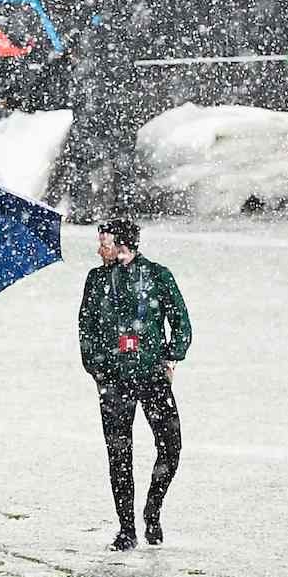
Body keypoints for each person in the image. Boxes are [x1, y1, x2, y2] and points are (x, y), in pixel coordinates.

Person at [78, 219, 192, 551]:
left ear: (124, 247)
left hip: (151, 375)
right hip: (113, 380)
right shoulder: (96, 280)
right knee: (119, 453)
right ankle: (126, 527)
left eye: (105, 243)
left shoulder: (158, 276)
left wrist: (172, 356)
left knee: (171, 447)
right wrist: (97, 367)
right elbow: (86, 328)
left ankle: (152, 509)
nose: (99, 249)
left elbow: (181, 321)